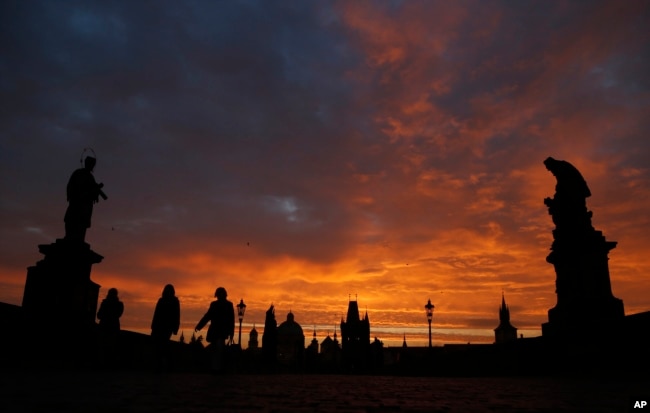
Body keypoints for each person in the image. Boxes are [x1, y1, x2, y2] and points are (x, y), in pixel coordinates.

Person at [64, 156, 106, 242]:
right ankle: (69, 237)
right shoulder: (78, 173)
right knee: (70, 219)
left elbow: (94, 194)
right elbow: (71, 185)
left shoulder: (91, 178)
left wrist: (95, 192)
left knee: (82, 221)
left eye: (92, 165)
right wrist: (73, 195)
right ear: (86, 163)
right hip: (77, 201)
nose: (91, 166)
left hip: (86, 204)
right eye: (90, 164)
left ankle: (80, 239)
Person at [195, 287, 235, 372]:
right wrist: (199, 326)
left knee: (219, 349)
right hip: (215, 331)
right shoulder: (215, 305)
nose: (219, 296)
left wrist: (231, 333)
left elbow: (231, 320)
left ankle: (217, 368)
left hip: (221, 331)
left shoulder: (228, 305)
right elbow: (207, 316)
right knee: (216, 349)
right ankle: (216, 367)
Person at [151, 284, 181, 371]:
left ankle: (167, 365)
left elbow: (177, 315)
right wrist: (153, 326)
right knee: (159, 346)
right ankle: (161, 365)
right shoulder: (161, 300)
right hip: (159, 326)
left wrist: (175, 327)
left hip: (167, 327)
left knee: (164, 345)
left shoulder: (175, 301)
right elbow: (156, 314)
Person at [97, 288, 124, 365]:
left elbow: (99, 315)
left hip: (104, 327)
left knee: (104, 347)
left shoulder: (105, 303)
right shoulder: (119, 304)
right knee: (111, 347)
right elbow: (118, 315)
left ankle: (103, 363)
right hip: (113, 328)